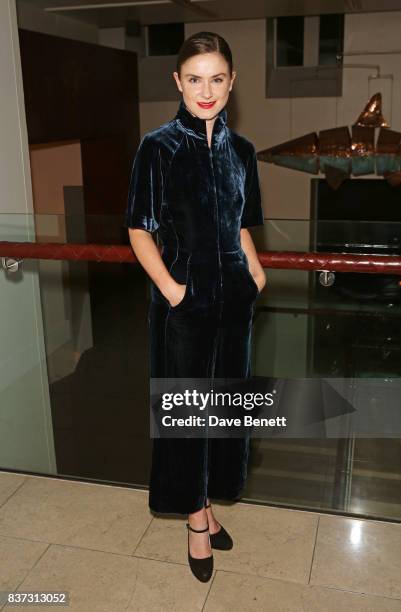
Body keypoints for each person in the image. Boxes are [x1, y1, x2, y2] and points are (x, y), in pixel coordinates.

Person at [124, 31, 266, 582]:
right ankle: (195, 522)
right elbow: (139, 232)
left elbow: (240, 225)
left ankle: (207, 501)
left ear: (231, 82)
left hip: (234, 301)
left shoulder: (243, 151)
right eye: (194, 79)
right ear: (177, 82)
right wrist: (174, 291)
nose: (206, 90)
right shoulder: (157, 147)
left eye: (217, 78)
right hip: (183, 304)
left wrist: (255, 272)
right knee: (186, 418)